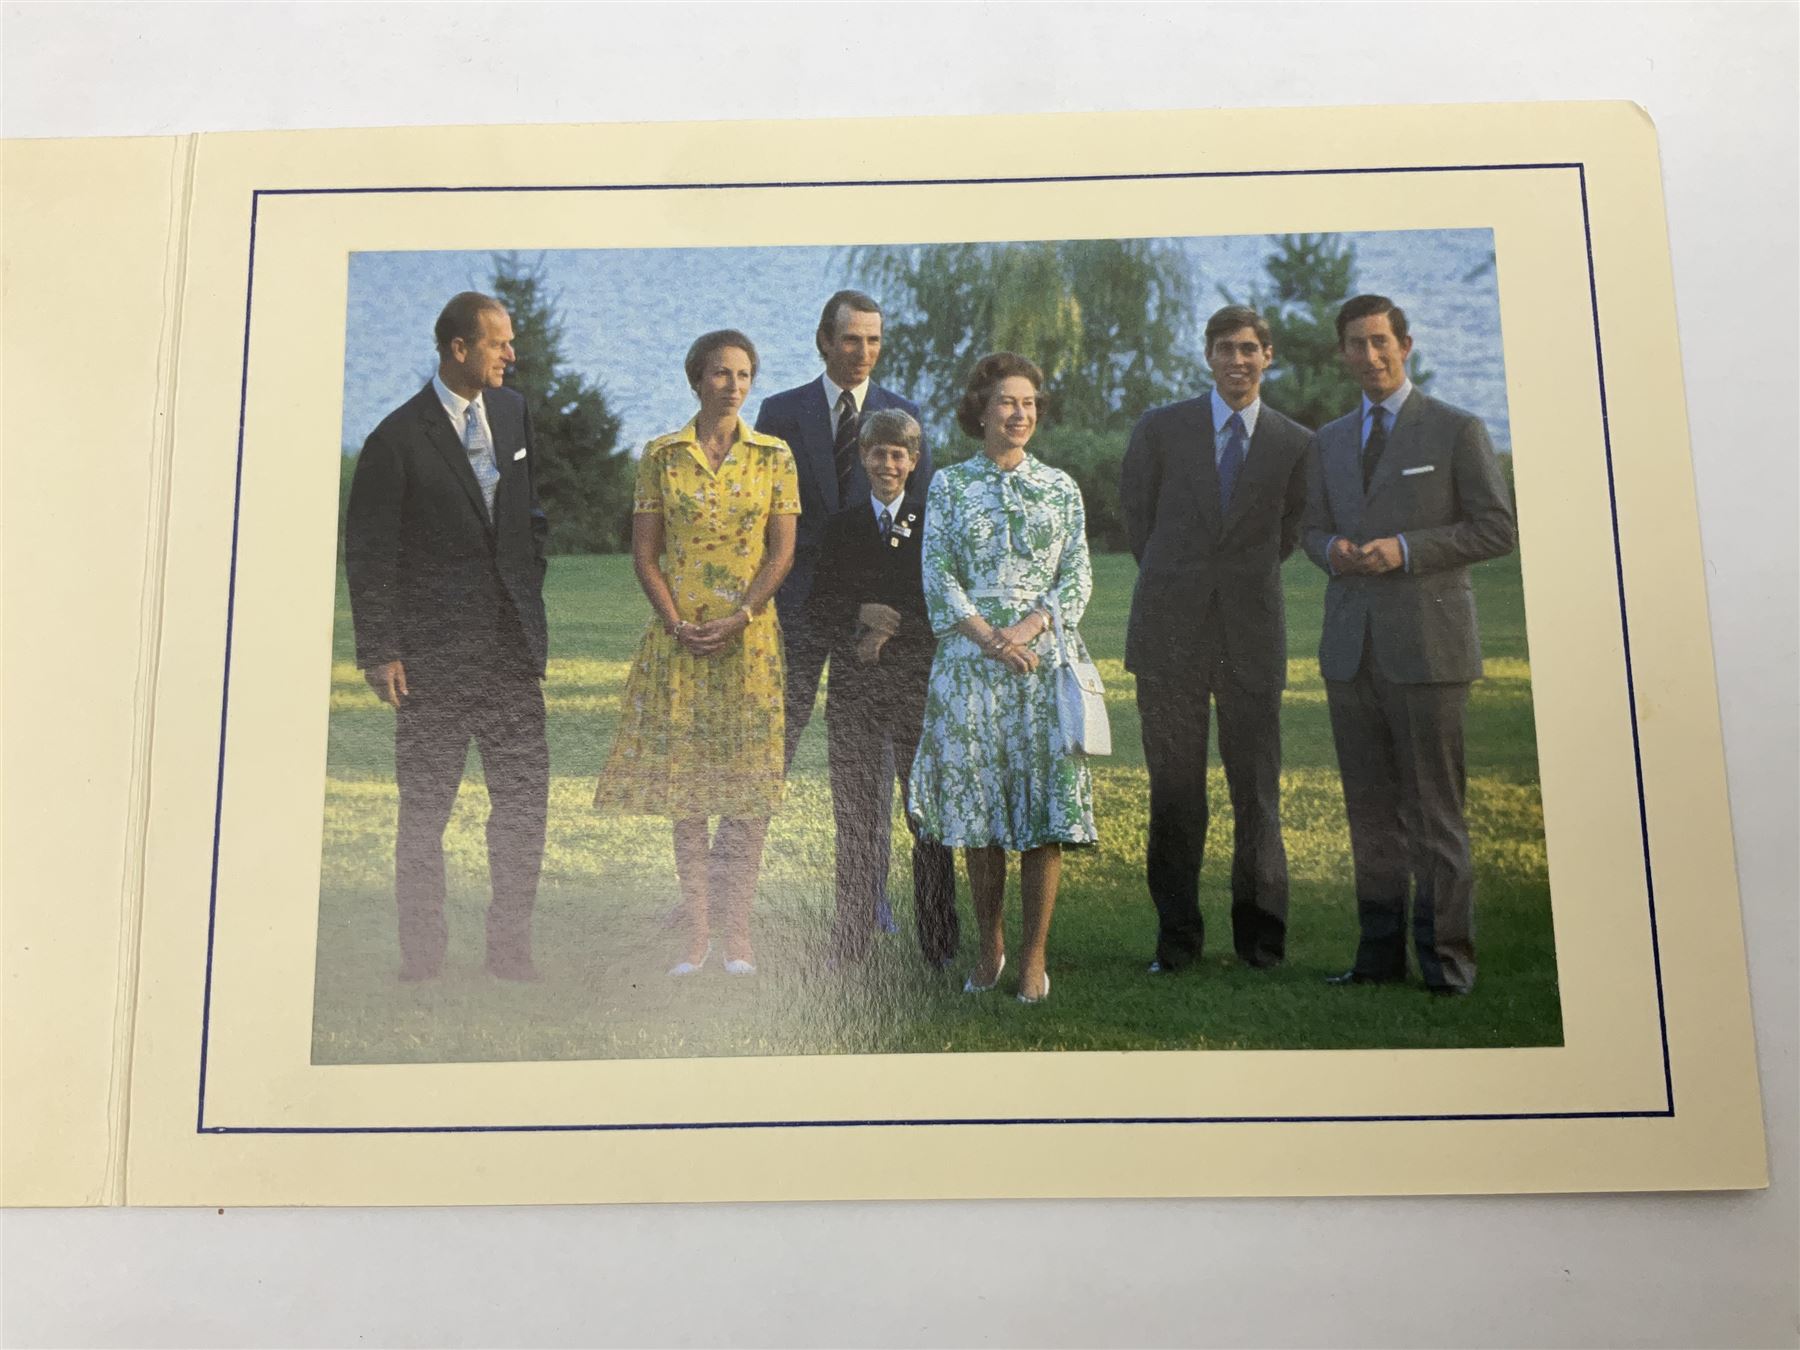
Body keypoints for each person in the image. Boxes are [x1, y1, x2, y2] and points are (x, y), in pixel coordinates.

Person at [1301, 294, 1517, 996]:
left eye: (1379, 342)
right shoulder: (1329, 440)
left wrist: (1405, 549)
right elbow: (1309, 529)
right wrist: (1331, 548)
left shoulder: (1456, 430)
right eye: (1355, 345)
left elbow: (1495, 528)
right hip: (1350, 651)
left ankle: (1447, 965)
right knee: (1370, 817)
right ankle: (1376, 959)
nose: (1368, 356)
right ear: (1342, 354)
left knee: (1434, 816)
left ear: (1406, 344)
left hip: (1429, 652)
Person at [343, 291, 549, 982]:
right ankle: (423, 961)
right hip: (431, 664)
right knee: (425, 816)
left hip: (511, 657)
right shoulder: (395, 439)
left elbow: (528, 522)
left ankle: (511, 953)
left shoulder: (515, 413)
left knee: (522, 804)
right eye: (498, 343)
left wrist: (528, 596)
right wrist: (380, 649)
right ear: (458, 349)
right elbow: (370, 553)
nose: (510, 354)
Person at [593, 330, 798, 977]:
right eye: (720, 373)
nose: (733, 385)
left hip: (750, 645)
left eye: (742, 374)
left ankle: (738, 937)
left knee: (747, 797)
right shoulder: (661, 455)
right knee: (689, 796)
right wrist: (676, 620)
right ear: (696, 380)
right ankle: (696, 939)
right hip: (679, 644)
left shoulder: (774, 455)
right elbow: (644, 555)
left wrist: (742, 615)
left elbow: (782, 552)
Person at [1120, 304, 1311, 974]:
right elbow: (1136, 521)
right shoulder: (1162, 429)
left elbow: (1287, 536)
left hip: (1251, 639)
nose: (1239, 360)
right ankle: (1177, 944)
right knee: (1176, 793)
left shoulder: (1294, 443)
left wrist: (1232, 587)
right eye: (1227, 348)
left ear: (1268, 357)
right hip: (1168, 637)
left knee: (1256, 794)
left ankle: (1261, 946)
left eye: (1251, 349)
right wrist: (1183, 584)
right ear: (1208, 355)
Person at [907, 353, 1096, 1004]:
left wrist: (1032, 625)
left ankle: (1034, 958)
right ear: (981, 410)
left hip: (1043, 666)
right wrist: (990, 637)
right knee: (982, 815)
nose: (1021, 414)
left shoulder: (1062, 488)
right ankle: (990, 946)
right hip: (971, 667)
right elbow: (937, 573)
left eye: (1031, 404)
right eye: (1009, 403)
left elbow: (1078, 575)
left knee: (1045, 814)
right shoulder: (951, 486)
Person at [754, 290, 933, 775]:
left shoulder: (904, 414)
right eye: (851, 339)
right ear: (824, 341)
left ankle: (866, 855)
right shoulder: (780, 414)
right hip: (794, 607)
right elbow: (762, 514)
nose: (863, 352)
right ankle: (741, 850)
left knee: (866, 760)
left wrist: (883, 610)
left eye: (873, 340)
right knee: (773, 745)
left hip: (874, 620)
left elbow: (916, 520)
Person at [809, 409, 959, 969]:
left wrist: (889, 633)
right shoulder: (841, 528)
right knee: (854, 819)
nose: (888, 463)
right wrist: (859, 616)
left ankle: (939, 944)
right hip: (853, 695)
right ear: (863, 458)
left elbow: (945, 608)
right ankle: (850, 941)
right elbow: (815, 608)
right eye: (878, 453)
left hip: (916, 690)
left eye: (899, 454)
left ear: (914, 462)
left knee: (927, 816)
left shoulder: (933, 526)